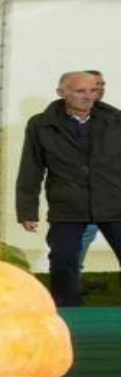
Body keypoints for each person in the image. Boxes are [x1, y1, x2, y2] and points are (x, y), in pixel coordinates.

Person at [16, 71, 121, 307]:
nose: (89, 97)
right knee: (63, 260)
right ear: (61, 93)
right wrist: (27, 210)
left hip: (114, 202)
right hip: (67, 205)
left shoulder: (116, 121)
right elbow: (31, 168)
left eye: (93, 90)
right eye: (80, 91)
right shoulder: (40, 125)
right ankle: (68, 311)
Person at [78, 70, 105, 276]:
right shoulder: (70, 117)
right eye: (96, 85)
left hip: (111, 190)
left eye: (101, 85)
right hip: (84, 194)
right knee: (82, 236)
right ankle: (73, 280)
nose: (99, 89)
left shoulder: (111, 117)